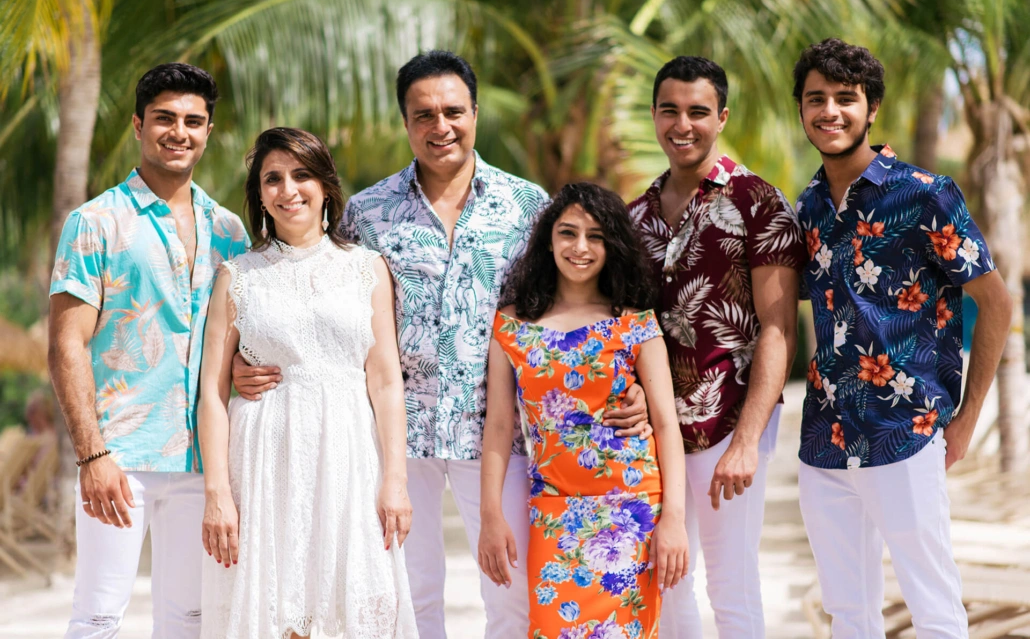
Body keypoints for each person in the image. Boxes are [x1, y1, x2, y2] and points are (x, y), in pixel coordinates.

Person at [232, 50, 651, 639]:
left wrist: (628, 383)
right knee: (411, 594)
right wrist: (245, 357)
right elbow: (317, 295)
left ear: (475, 113)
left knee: (511, 595)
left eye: (453, 111)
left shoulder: (528, 206)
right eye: (423, 114)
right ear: (406, 121)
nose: (440, 126)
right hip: (398, 436)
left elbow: (575, 305)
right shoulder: (368, 213)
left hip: (505, 434)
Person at [792, 38, 1012, 638]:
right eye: (816, 98)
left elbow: (996, 302)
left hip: (906, 431)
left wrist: (967, 418)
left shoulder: (924, 193)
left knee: (933, 609)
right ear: (801, 108)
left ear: (872, 108)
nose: (830, 111)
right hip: (824, 438)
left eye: (845, 98)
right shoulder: (809, 208)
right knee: (847, 613)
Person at [48, 63, 249, 638]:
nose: (178, 132)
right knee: (98, 617)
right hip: (120, 457)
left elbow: (236, 341)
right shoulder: (94, 222)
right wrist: (92, 456)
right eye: (164, 118)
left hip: (203, 462)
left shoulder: (230, 231)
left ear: (208, 131)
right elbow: (66, 344)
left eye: (193, 121)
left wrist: (247, 370)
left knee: (189, 620)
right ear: (139, 125)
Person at [196, 127, 416, 638]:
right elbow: (212, 391)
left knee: (351, 608)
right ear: (259, 196)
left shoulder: (367, 269)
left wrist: (395, 480)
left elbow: (386, 382)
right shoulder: (237, 276)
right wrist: (217, 492)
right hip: (264, 462)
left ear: (325, 185)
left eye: (301, 175)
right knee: (276, 609)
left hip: (349, 458)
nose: (288, 189)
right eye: (272, 179)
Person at [627, 56, 806, 638]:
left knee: (731, 583)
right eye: (670, 111)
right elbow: (625, 329)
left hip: (728, 420)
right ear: (654, 115)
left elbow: (779, 329)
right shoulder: (634, 216)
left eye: (698, 112)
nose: (683, 125)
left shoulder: (759, 201)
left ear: (722, 117)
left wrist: (747, 442)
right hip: (654, 430)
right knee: (665, 580)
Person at [480, 183, 690, 639]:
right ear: (548, 240)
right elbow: (497, 426)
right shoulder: (511, 325)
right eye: (568, 232)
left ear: (612, 246)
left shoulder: (636, 324)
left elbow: (666, 426)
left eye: (596, 236)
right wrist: (490, 516)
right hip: (552, 509)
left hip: (632, 510)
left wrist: (673, 518)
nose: (580, 247)